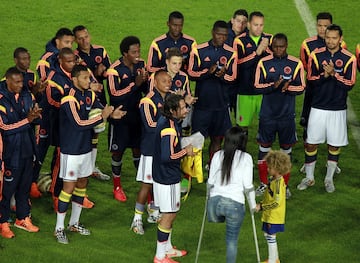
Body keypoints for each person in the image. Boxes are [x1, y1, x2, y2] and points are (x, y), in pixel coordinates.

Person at [54, 64, 125, 244]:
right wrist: (102, 117)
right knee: (68, 188)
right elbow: (79, 124)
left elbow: (101, 110)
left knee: (82, 184)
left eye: (89, 78)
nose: (89, 81)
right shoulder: (69, 99)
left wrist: (112, 114)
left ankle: (74, 223)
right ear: (75, 79)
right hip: (71, 151)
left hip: (85, 149)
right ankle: (59, 228)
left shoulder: (90, 95)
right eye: (85, 78)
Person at [297, 24, 357, 193]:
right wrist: (324, 75)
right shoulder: (316, 55)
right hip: (318, 107)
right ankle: (309, 178)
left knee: (334, 145)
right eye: (328, 38)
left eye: (333, 38)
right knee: (311, 143)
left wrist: (334, 74)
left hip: (337, 108)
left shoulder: (349, 58)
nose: (330, 41)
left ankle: (328, 179)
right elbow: (311, 79)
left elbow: (350, 84)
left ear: (340, 39)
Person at [253, 33, 305, 198]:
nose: (278, 49)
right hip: (267, 115)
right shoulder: (264, 63)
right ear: (271, 47)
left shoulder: (295, 64)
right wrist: (273, 86)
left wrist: (287, 88)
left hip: (286, 116)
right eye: (275, 46)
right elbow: (257, 86)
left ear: (287, 45)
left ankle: (284, 185)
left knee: (286, 152)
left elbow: (302, 87)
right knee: (263, 149)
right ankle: (263, 183)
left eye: (281, 46)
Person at [299, 13, 347, 163]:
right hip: (313, 91)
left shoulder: (342, 45)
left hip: (334, 94)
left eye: (325, 26)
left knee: (333, 134)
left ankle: (330, 163)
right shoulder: (307, 44)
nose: (322, 29)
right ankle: (309, 163)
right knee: (308, 126)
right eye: (319, 25)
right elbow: (305, 66)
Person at [188, 20, 237, 166]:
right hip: (202, 105)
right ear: (212, 33)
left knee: (217, 139)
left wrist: (222, 75)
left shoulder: (231, 53)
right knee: (196, 140)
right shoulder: (199, 50)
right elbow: (191, 73)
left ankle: (212, 167)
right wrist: (207, 72)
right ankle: (190, 174)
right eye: (219, 34)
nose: (222, 38)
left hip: (221, 105)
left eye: (225, 35)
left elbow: (233, 77)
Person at [0, 67, 42, 238]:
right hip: (10, 153)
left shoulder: (27, 95)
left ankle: (22, 218)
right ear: (7, 81)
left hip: (27, 148)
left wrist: (36, 115)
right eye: (16, 82)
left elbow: (34, 115)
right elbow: (5, 128)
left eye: (22, 82)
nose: (20, 85)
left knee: (24, 188)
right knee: (6, 191)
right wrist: (28, 120)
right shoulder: (1, 100)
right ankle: (3, 223)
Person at [152, 93, 194, 263]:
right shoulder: (169, 129)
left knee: (168, 213)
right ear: (172, 110)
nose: (186, 110)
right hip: (167, 177)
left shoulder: (170, 122)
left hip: (162, 175)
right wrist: (186, 151)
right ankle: (160, 257)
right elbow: (167, 156)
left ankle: (167, 248)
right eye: (183, 107)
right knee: (169, 215)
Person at [107, 36, 148, 202]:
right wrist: (135, 84)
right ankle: (117, 186)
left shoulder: (141, 64)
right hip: (120, 117)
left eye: (138, 50)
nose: (137, 54)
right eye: (133, 52)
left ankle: (143, 184)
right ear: (125, 53)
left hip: (137, 115)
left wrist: (144, 81)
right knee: (118, 152)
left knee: (138, 149)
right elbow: (114, 95)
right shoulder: (114, 70)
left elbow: (145, 88)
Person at [207, 126, 256, 263]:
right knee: (232, 241)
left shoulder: (217, 155)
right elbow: (248, 186)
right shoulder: (246, 158)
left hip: (214, 207)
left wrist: (209, 201)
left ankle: (220, 216)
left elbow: (210, 182)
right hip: (234, 205)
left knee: (222, 218)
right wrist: (253, 206)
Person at [131, 70, 171, 235]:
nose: (168, 83)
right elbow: (150, 125)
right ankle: (136, 219)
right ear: (155, 83)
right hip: (150, 150)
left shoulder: (168, 98)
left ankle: (153, 212)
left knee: (160, 182)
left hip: (162, 149)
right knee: (146, 185)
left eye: (169, 80)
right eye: (164, 81)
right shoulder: (147, 101)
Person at [73, 25, 112, 181]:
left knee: (96, 131)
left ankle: (91, 167)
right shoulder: (74, 56)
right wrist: (96, 73)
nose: (84, 41)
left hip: (99, 98)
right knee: (83, 132)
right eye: (80, 38)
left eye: (86, 36)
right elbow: (80, 77)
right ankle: (80, 167)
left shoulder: (100, 51)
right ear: (76, 40)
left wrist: (102, 72)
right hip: (83, 99)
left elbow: (109, 71)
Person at [233, 11, 272, 145]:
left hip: (264, 91)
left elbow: (275, 61)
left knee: (266, 124)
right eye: (255, 25)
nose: (258, 28)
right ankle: (240, 156)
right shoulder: (239, 41)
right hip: (244, 90)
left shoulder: (269, 40)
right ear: (249, 24)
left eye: (261, 25)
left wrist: (268, 51)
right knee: (242, 127)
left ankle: (264, 158)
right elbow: (237, 64)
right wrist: (257, 53)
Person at [13, 47, 46, 198]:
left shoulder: (32, 74)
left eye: (28, 58)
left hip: (32, 122)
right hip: (17, 123)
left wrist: (38, 90)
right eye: (23, 59)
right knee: (16, 157)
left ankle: (30, 185)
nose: (27, 62)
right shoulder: (9, 79)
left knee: (33, 153)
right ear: (16, 60)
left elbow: (34, 99)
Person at [256, 150, 291, 263]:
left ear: (277, 169)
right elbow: (268, 197)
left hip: (274, 216)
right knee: (268, 235)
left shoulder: (278, 184)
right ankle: (274, 259)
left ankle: (272, 260)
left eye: (270, 168)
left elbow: (276, 202)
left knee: (271, 236)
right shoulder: (273, 180)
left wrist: (261, 207)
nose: (267, 169)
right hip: (270, 215)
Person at [225, 9, 248, 114]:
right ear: (232, 20)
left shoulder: (249, 37)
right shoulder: (223, 35)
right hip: (226, 81)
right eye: (238, 21)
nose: (241, 24)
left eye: (244, 22)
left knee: (241, 116)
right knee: (226, 112)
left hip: (242, 81)